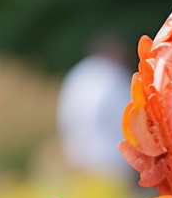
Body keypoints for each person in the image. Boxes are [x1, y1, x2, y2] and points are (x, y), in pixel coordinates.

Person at [56, 34, 133, 176]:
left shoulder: (78, 73)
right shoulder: (114, 75)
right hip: (112, 160)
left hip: (76, 156)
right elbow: (130, 117)